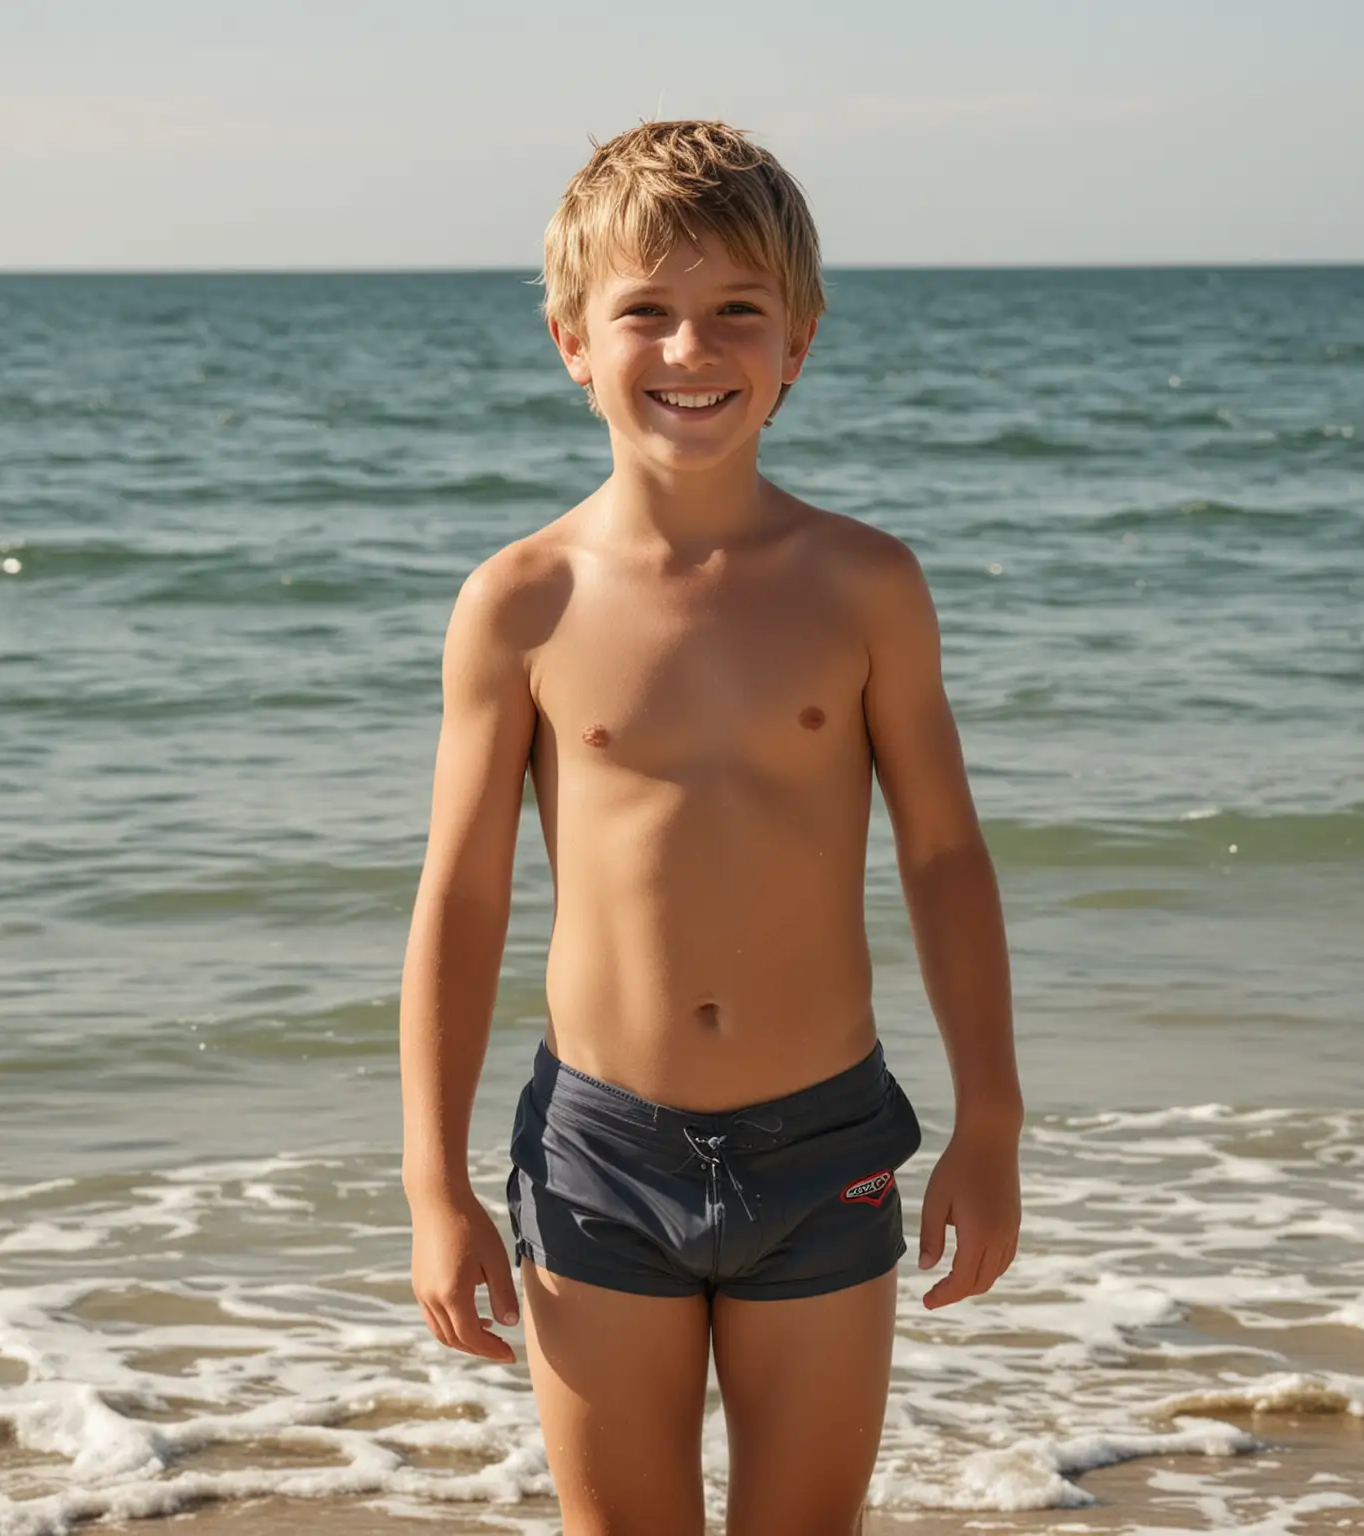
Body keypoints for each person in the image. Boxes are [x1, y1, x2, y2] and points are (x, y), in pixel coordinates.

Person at [399, 119, 1023, 1536]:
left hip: (827, 1140)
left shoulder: (866, 585)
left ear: (797, 340)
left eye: (737, 312)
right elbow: (463, 899)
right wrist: (434, 1184)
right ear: (573, 340)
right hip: (600, 1152)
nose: (692, 350)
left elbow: (942, 856)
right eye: (648, 314)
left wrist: (992, 1121)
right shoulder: (522, 601)